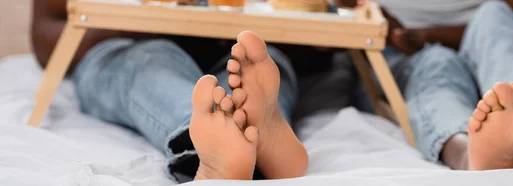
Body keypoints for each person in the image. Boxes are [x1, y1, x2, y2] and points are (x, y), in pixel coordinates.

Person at [32, 0, 308, 182]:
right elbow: (46, 35)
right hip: (129, 44)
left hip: (250, 45)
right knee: (151, 61)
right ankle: (238, 141)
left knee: (262, 64)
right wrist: (149, 17)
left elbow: (326, 50)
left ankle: (232, 142)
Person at [336, 0, 513, 169]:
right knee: (437, 62)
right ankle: (468, 155)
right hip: (397, 52)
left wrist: (426, 34)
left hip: (474, 38)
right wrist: (372, 19)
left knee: (496, 15)